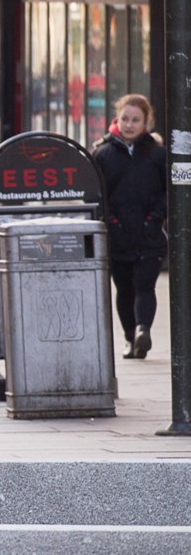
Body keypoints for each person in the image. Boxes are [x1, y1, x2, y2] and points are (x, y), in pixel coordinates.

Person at [92, 94, 168, 360]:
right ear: (117, 118)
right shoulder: (102, 154)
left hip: (149, 234)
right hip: (118, 235)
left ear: (146, 121)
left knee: (145, 285)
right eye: (125, 118)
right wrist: (110, 221)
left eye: (136, 120)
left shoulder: (157, 154)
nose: (129, 124)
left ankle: (142, 330)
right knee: (124, 289)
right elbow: (95, 195)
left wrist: (155, 218)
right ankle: (129, 338)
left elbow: (168, 192)